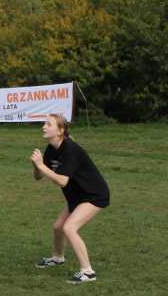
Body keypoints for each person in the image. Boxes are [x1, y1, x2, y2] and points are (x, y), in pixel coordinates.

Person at [30, 114, 110, 283]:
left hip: (94, 194)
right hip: (76, 196)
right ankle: (58, 257)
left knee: (69, 228)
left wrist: (41, 166)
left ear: (60, 130)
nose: (44, 127)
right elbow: (39, 176)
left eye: (48, 124)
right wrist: (37, 167)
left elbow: (62, 181)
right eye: (44, 123)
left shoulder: (70, 149)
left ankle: (88, 271)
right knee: (58, 227)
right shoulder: (51, 148)